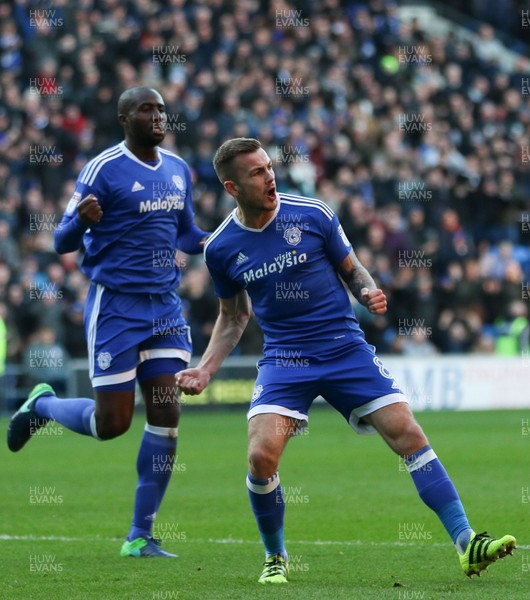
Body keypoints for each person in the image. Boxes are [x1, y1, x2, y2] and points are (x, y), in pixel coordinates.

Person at [177, 138, 516, 583]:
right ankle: (275, 557)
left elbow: (353, 268)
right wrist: (205, 368)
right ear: (231, 187)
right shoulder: (221, 247)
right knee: (261, 457)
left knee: (407, 432)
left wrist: (366, 291)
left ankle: (467, 542)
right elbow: (234, 316)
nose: (269, 176)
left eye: (268, 167)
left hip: (343, 347)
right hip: (285, 358)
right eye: (257, 173)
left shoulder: (312, 213)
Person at [8, 87, 208, 558]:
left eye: (161, 109)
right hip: (116, 307)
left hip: (164, 307)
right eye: (146, 109)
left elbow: (188, 234)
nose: (157, 116)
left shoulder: (179, 170)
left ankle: (140, 535)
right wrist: (80, 221)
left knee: (166, 411)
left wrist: (228, 237)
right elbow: (60, 240)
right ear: (124, 118)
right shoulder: (103, 168)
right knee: (111, 424)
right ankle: (42, 407)